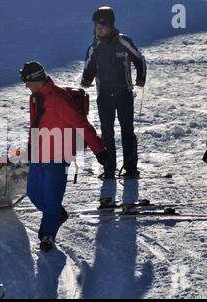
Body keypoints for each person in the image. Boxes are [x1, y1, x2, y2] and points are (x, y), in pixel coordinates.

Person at [20, 61, 108, 251]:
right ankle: (57, 214)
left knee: (52, 198)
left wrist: (99, 150)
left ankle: (47, 236)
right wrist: (29, 146)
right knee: (34, 193)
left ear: (35, 79)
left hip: (58, 155)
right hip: (38, 154)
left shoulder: (59, 99)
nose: (25, 85)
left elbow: (81, 124)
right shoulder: (35, 98)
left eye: (26, 81)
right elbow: (34, 125)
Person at [81, 6, 146, 179]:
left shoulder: (124, 41)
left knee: (127, 131)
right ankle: (109, 168)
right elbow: (89, 67)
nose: (99, 29)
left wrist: (141, 77)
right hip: (104, 96)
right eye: (96, 26)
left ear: (110, 25)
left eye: (102, 26)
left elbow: (139, 59)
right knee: (107, 132)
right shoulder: (94, 47)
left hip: (124, 94)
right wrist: (86, 80)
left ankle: (130, 169)